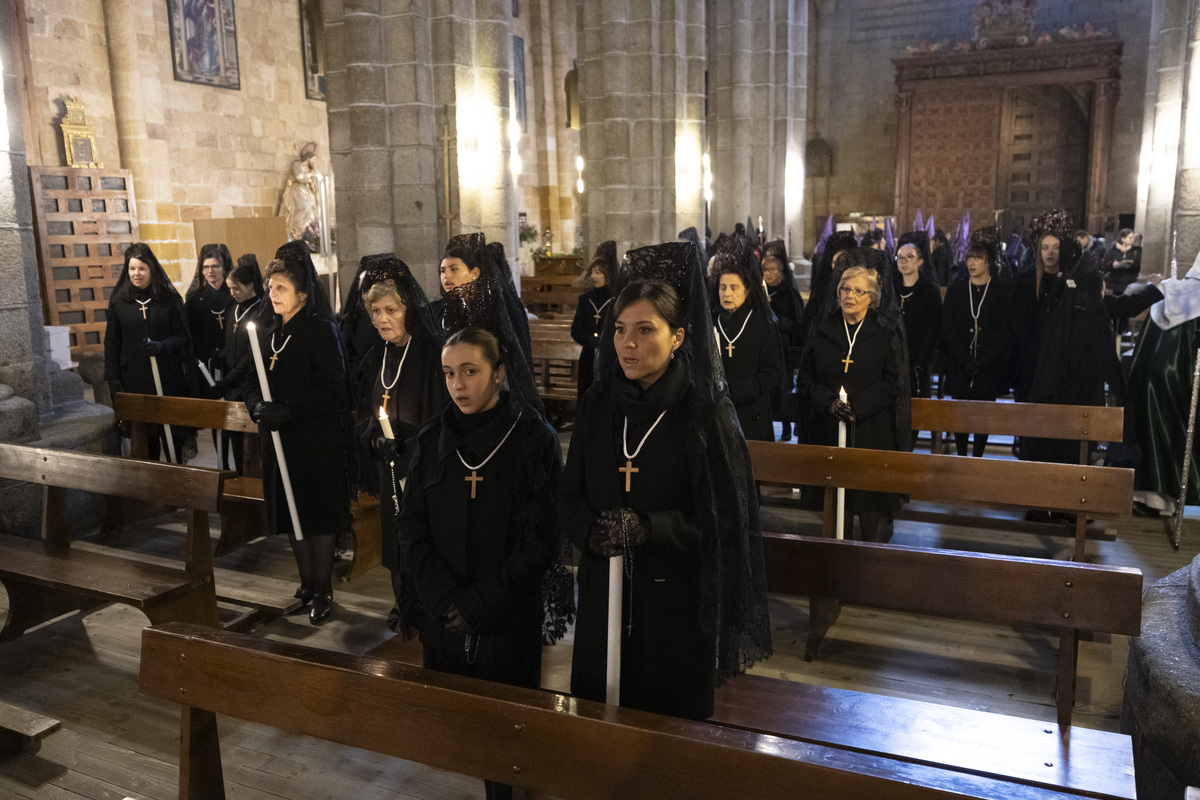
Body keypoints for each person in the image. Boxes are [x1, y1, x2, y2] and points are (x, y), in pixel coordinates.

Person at [560, 240, 772, 721]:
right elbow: (568, 495)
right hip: (603, 600)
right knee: (598, 726)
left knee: (665, 740)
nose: (627, 343)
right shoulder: (597, 405)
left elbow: (725, 521)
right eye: (618, 330)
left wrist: (648, 528)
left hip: (673, 609)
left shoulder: (703, 414)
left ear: (678, 336)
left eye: (644, 330)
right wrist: (590, 530)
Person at [400, 279, 564, 800]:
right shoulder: (431, 440)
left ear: (499, 373)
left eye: (470, 371)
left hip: (506, 614)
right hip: (446, 613)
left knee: (509, 730)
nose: (458, 384)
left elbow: (543, 540)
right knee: (463, 725)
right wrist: (446, 600)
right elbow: (412, 530)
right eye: (449, 373)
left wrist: (481, 602)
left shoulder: (533, 439)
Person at [244, 242, 351, 624]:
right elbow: (251, 378)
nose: (272, 295)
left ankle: (323, 588)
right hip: (278, 440)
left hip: (313, 440)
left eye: (281, 289)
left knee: (316, 513)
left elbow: (333, 388)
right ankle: (305, 582)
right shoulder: (270, 331)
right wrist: (256, 405)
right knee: (291, 511)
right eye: (270, 288)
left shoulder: (320, 330)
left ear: (302, 294)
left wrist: (288, 411)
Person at [353, 256, 446, 637]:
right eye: (375, 311)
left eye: (391, 309)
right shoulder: (377, 357)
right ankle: (402, 603)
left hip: (424, 469)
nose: (382, 318)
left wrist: (412, 443)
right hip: (388, 463)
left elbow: (443, 417)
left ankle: (427, 606)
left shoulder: (431, 355)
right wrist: (375, 437)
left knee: (423, 538)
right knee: (394, 537)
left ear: (408, 307)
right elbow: (361, 412)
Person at [800, 263, 906, 541]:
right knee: (836, 507)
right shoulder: (823, 329)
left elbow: (893, 382)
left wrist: (859, 408)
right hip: (830, 427)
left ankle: (872, 564)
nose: (850, 295)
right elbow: (806, 379)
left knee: (870, 505)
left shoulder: (884, 332)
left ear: (872, 297)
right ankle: (836, 562)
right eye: (845, 289)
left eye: (859, 291)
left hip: (871, 429)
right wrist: (829, 403)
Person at [1125, 253, 1200, 516]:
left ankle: (1139, 494)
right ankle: (1165, 501)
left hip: (1147, 377)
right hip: (1179, 381)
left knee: (1146, 432)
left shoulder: (1168, 290)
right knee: (1172, 435)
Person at [103, 243, 193, 462]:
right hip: (135, 381)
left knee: (172, 441)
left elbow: (183, 337)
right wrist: (113, 376)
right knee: (145, 443)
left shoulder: (169, 301)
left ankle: (175, 484)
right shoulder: (119, 303)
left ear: (152, 269)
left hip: (167, 380)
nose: (137, 274)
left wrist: (162, 346)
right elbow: (112, 342)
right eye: (132, 269)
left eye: (142, 268)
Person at [940, 235, 1014, 457]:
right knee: (961, 414)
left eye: (977, 258)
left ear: (988, 262)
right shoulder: (957, 290)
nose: (971, 262)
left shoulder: (1001, 291)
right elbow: (948, 328)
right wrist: (964, 359)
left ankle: (979, 456)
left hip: (988, 366)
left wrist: (985, 360)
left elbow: (1004, 330)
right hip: (961, 365)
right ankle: (961, 455)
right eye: (969, 257)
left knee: (984, 415)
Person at [711, 235, 785, 441]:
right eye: (722, 287)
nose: (727, 293)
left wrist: (740, 390)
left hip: (753, 411)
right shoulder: (712, 322)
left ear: (747, 290)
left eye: (733, 288)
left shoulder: (762, 324)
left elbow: (773, 372)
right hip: (718, 412)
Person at [207, 254, 274, 473]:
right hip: (232, 382)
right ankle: (238, 475)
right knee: (234, 436)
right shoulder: (232, 310)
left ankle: (252, 478)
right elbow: (231, 342)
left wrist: (226, 382)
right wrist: (221, 355)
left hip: (247, 383)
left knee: (250, 442)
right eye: (230, 288)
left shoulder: (259, 311)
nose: (232, 293)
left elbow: (250, 355)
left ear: (251, 285)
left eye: (236, 288)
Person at [762, 239, 804, 441]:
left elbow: (799, 322)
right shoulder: (760, 294)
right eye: (765, 269)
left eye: (772, 269)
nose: (768, 273)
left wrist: (785, 324)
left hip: (785, 348)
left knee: (785, 388)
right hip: (766, 347)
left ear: (781, 272)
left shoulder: (789, 294)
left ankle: (787, 428)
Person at [894, 232, 942, 399]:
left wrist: (920, 361)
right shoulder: (891, 289)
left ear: (920, 262)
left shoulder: (929, 291)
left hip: (918, 361)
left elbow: (933, 329)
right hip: (891, 361)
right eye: (900, 257)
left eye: (909, 257)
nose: (903, 261)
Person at [571, 241, 617, 402]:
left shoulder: (616, 301)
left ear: (608, 274)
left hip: (610, 360)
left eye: (598, 272)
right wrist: (590, 339)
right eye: (592, 272)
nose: (593, 276)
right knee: (587, 398)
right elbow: (575, 331)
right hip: (588, 359)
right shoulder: (585, 300)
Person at [1102, 228, 1142, 297]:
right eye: (1130, 238)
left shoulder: (1136, 251)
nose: (1133, 240)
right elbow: (1104, 266)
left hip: (1130, 283)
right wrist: (1113, 265)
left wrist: (1128, 265)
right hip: (1114, 284)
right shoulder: (1112, 251)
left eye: (1133, 238)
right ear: (1123, 239)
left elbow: (1139, 266)